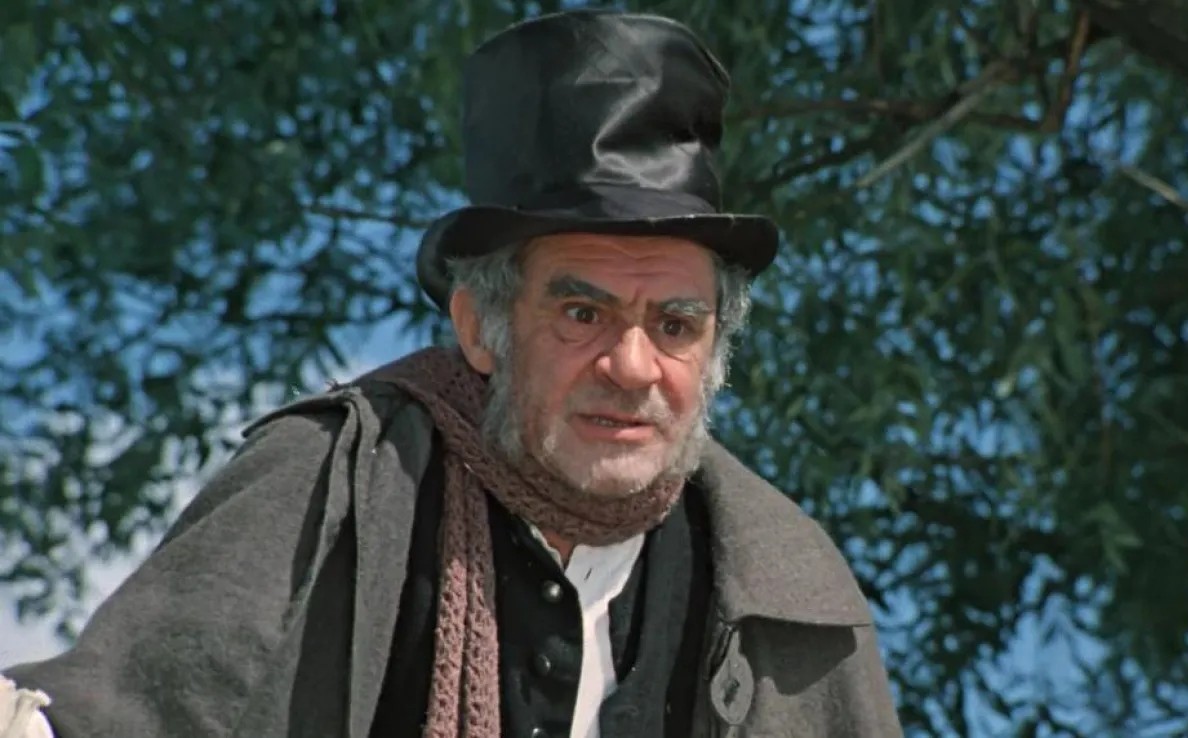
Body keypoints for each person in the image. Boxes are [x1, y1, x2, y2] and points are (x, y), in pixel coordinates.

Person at [2, 10, 903, 738]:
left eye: (675, 325)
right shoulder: (339, 485)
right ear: (480, 327)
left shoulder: (783, 581)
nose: (633, 368)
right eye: (582, 314)